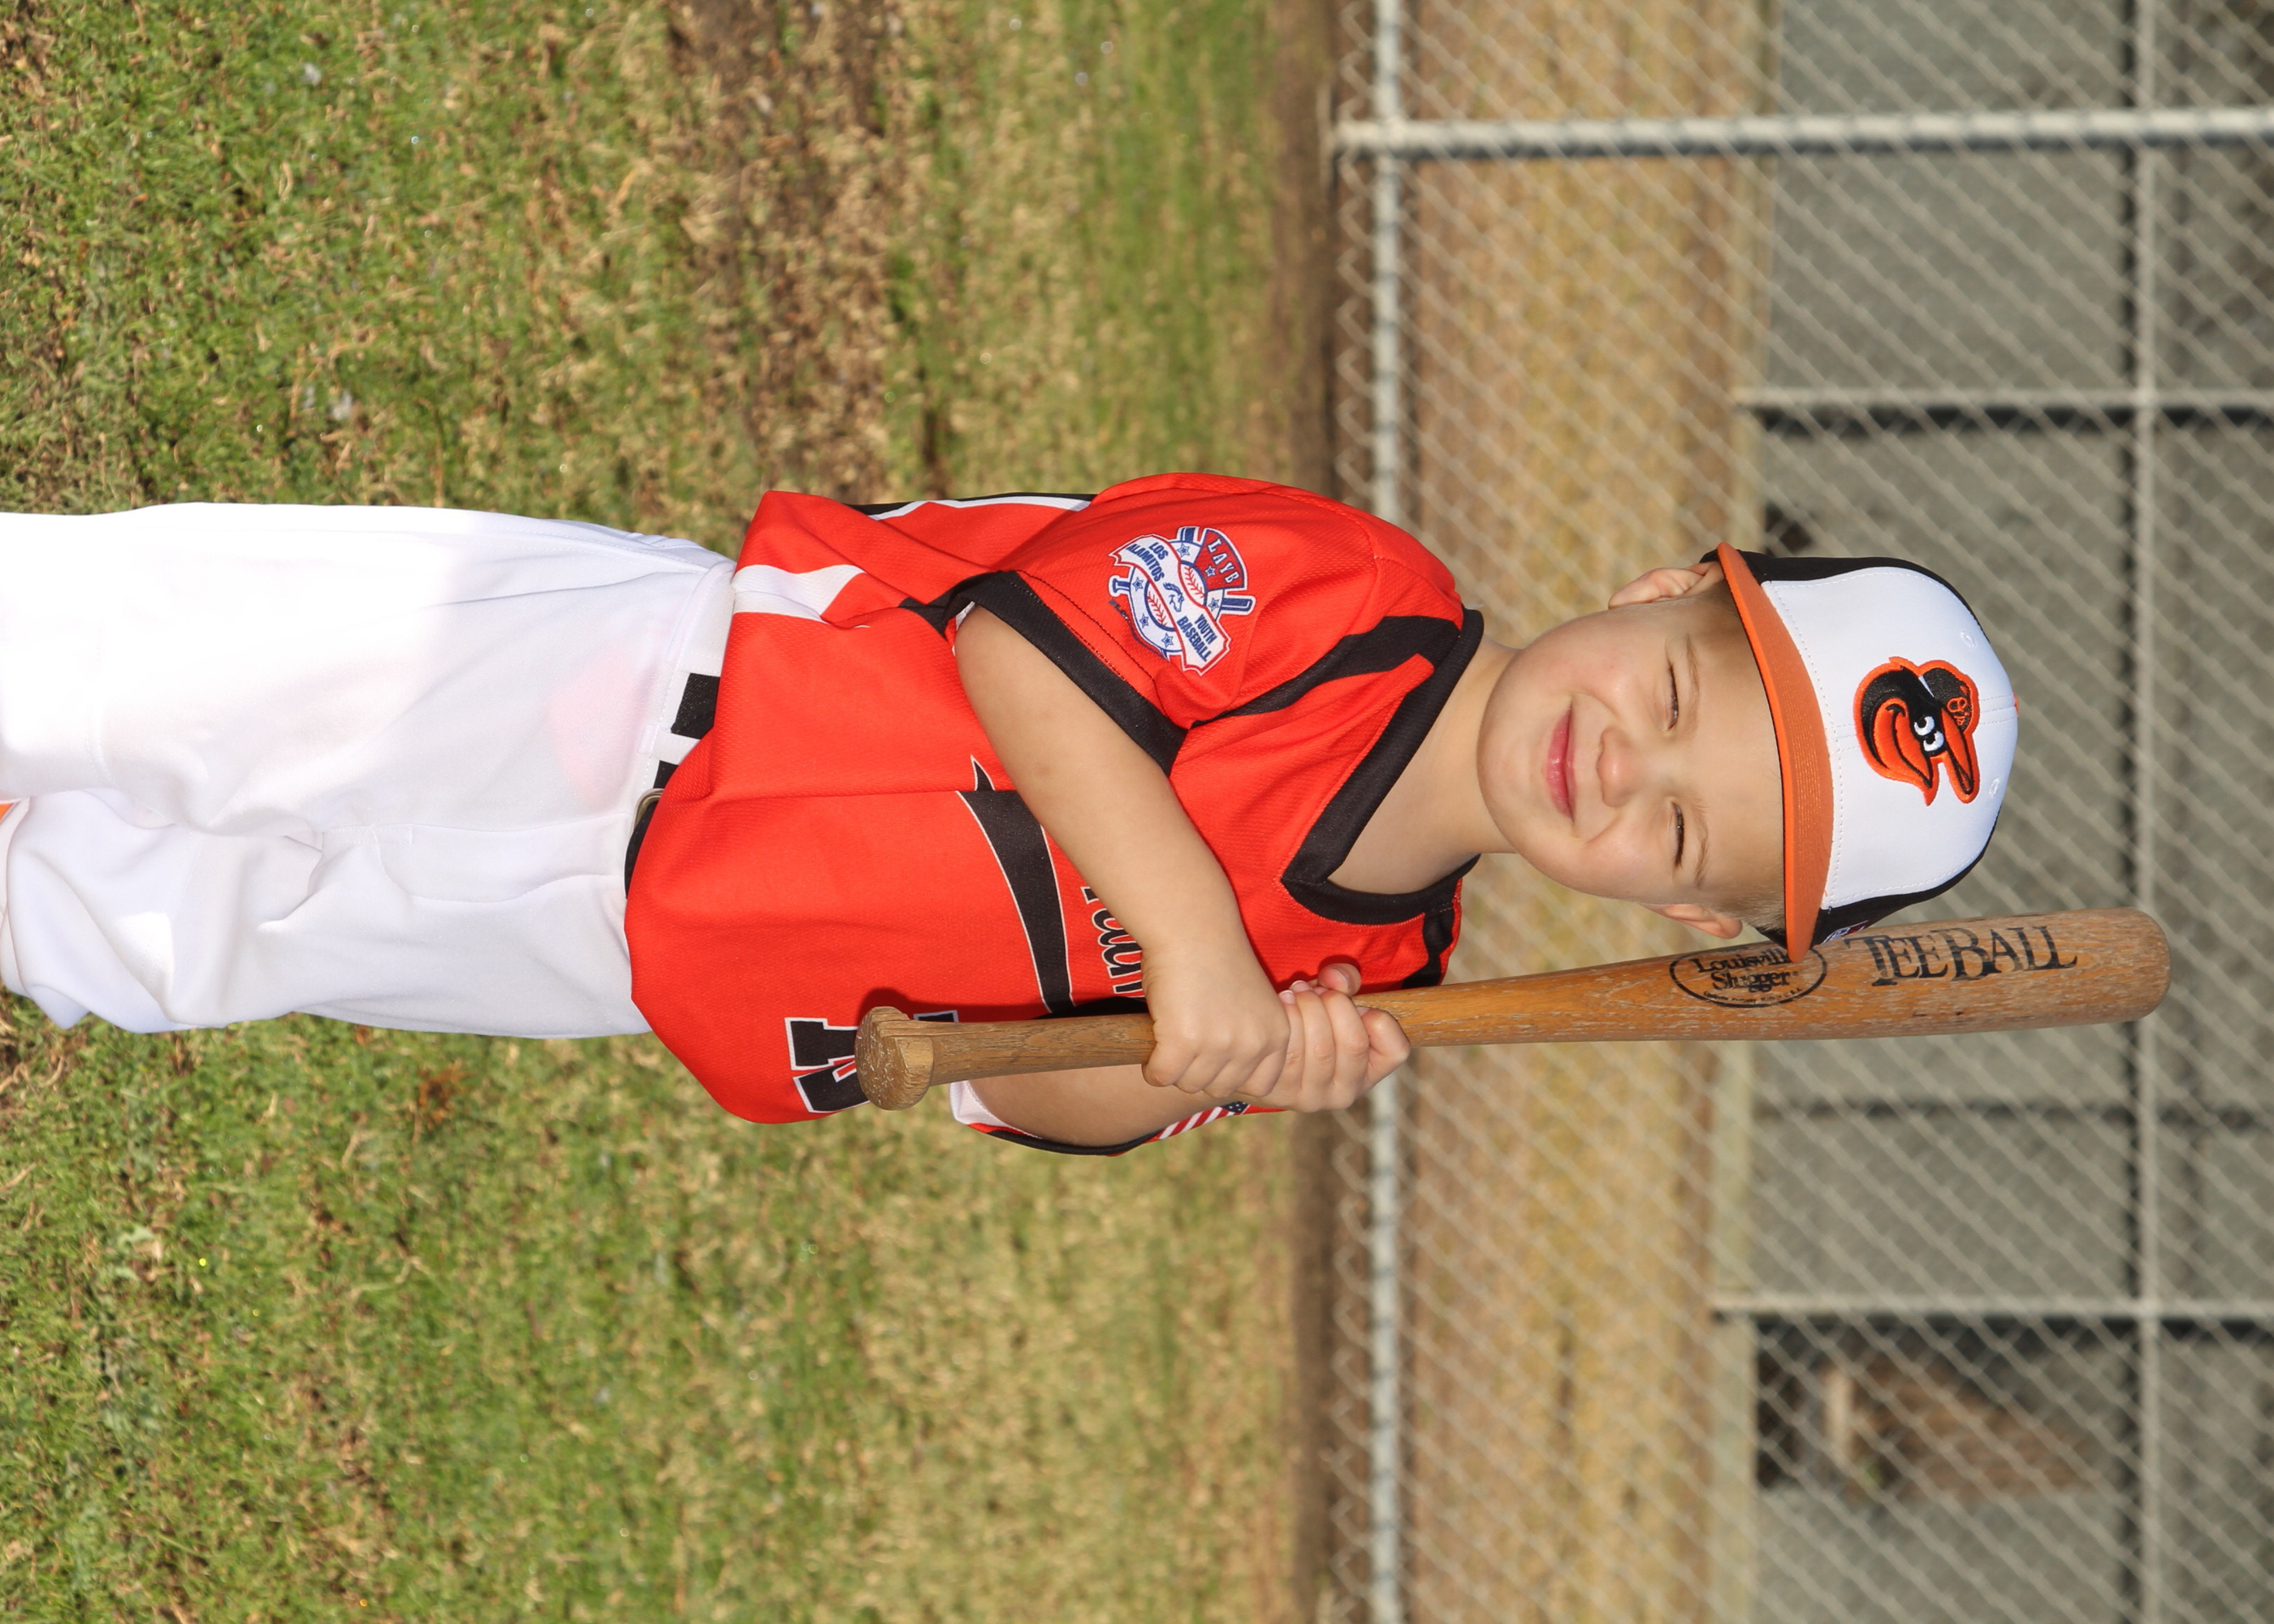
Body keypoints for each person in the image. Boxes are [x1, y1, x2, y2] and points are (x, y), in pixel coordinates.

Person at [0, 474, 2017, 1155]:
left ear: (1682, 921)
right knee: (173, 674)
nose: (1622, 771)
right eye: (1676, 700)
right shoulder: (1356, 597)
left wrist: (1207, 1063)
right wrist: (1201, 947)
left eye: (1679, 837)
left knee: (216, 933)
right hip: (672, 698)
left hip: (687, 956)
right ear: (1664, 587)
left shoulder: (1377, 968)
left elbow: (1014, 1087)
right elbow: (1029, 662)